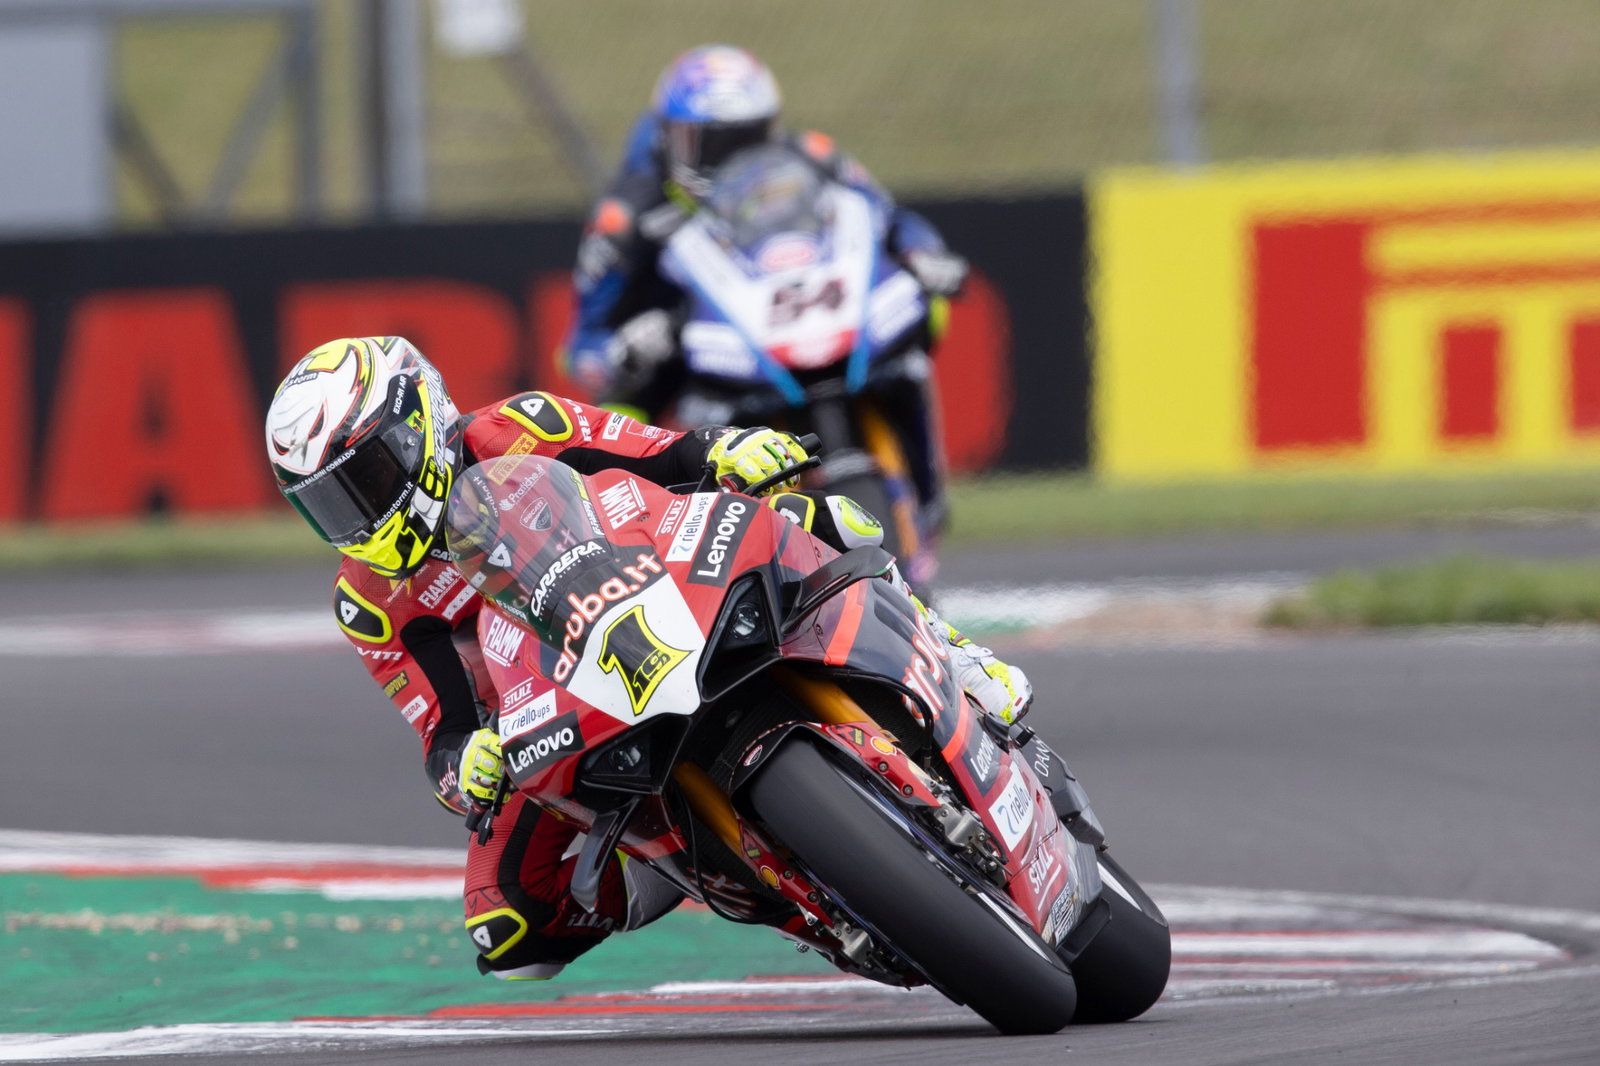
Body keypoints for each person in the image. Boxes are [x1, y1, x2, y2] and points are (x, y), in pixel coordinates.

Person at [264, 335, 1029, 981]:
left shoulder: (518, 425)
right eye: (328, 503)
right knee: (507, 930)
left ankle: (953, 657)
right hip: (547, 708)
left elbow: (668, 456)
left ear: (417, 425)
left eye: (364, 480)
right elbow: (442, 727)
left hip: (657, 585)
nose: (358, 517)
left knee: (809, 509)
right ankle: (693, 868)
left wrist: (735, 452)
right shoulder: (369, 601)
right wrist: (465, 768)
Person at [561, 44, 969, 405]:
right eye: (714, 146)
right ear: (670, 138)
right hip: (689, 353)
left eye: (750, 140)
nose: (734, 164)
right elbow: (582, 348)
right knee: (619, 409)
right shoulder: (625, 217)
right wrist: (623, 351)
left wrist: (923, 253)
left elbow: (889, 218)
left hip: (805, 316)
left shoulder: (811, 155)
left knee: (925, 300)